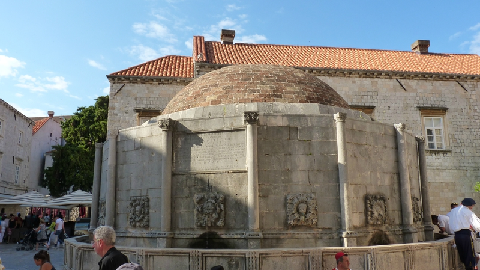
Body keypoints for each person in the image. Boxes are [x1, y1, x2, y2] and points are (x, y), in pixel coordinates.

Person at [449, 198, 480, 270]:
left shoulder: (453, 211)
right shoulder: (468, 212)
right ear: (470, 205)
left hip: (457, 235)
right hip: (466, 235)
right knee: (469, 255)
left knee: (462, 254)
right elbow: (476, 225)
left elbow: (450, 224)